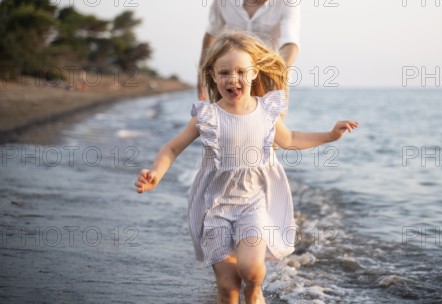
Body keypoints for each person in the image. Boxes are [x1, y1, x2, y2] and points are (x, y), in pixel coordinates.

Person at [136, 32, 358, 303]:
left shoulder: (265, 111)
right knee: (228, 288)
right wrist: (156, 173)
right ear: (213, 76)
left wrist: (329, 135)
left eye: (241, 71)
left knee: (250, 270)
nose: (233, 78)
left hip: (253, 203)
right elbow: (172, 148)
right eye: (225, 72)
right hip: (215, 208)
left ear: (254, 74)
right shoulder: (207, 116)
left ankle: (255, 290)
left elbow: (290, 140)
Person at [197, 0, 300, 100]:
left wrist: (278, 75)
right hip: (229, 78)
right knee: (220, 121)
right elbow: (211, 35)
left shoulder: (288, 2)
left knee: (269, 124)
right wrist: (201, 75)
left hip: (269, 78)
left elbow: (290, 44)